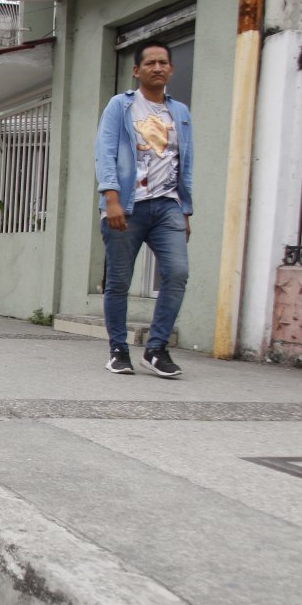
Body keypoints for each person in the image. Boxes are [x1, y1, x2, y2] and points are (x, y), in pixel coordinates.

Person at [95, 39, 193, 378]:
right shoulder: (120, 106)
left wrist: (186, 209)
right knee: (119, 281)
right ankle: (118, 350)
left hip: (168, 205)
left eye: (163, 62)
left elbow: (185, 162)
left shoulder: (180, 113)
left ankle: (156, 349)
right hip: (127, 204)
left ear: (171, 69)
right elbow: (105, 152)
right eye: (150, 63)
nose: (157, 67)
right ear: (137, 70)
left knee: (177, 273)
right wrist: (111, 198)